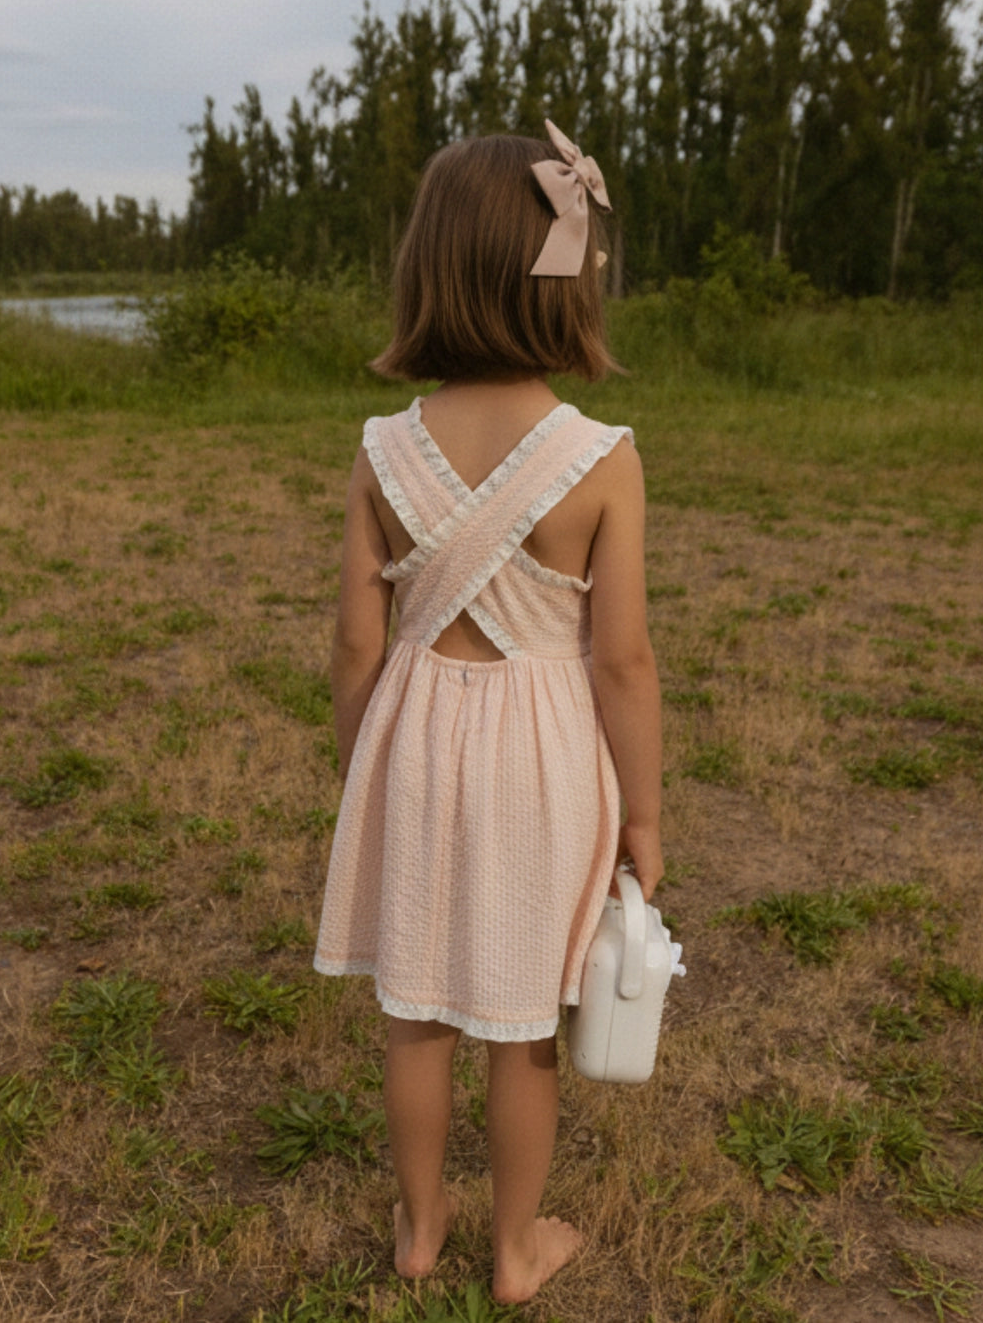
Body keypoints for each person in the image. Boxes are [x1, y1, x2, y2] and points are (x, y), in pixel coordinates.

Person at [313, 121, 664, 1306]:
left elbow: (358, 643)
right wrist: (646, 814)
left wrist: (369, 761)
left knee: (414, 1009)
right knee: (523, 1023)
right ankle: (515, 1249)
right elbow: (621, 662)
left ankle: (419, 1232)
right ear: (568, 277)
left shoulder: (381, 450)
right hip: (545, 762)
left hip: (414, 746)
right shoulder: (600, 457)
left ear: (429, 271)